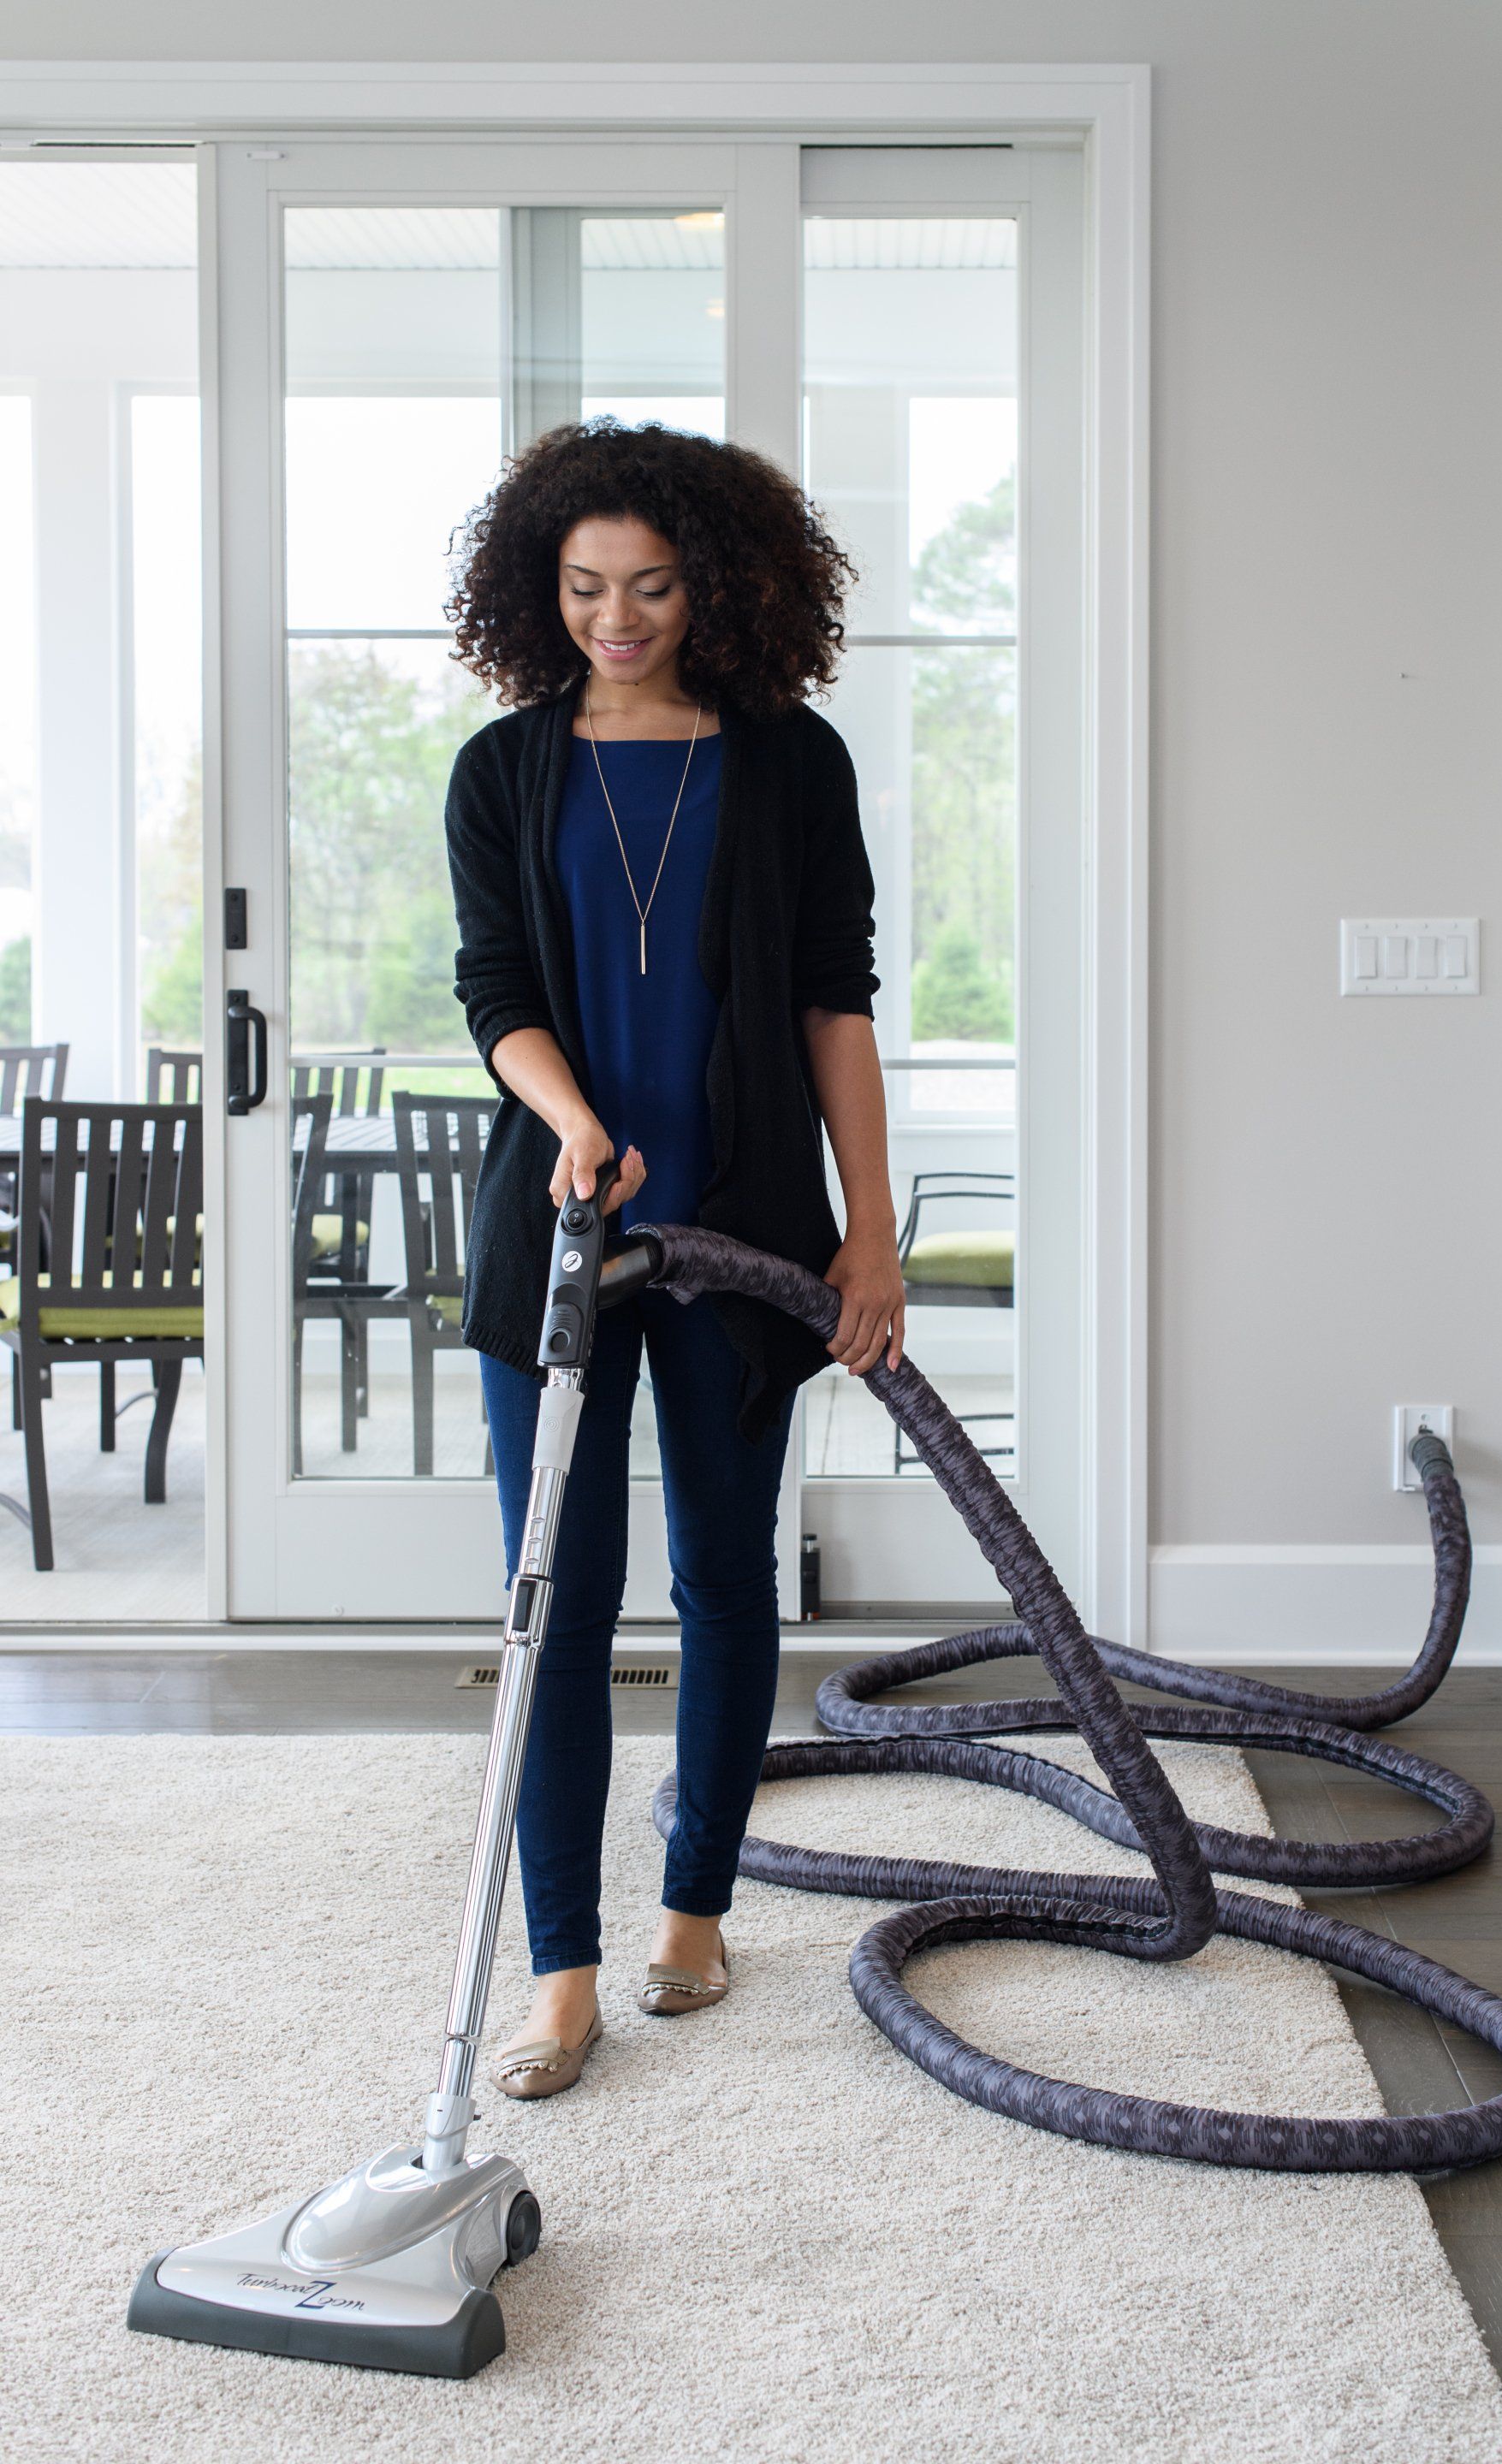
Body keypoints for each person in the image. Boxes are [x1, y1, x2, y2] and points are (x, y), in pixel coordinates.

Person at [443, 418, 905, 2098]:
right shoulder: (504, 769)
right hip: (558, 1242)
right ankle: (561, 1970)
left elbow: (832, 1005)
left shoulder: (792, 762)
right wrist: (569, 1119)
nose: (616, 621)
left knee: (723, 1577)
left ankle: (695, 1906)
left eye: (649, 587)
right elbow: (497, 993)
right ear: (540, 587)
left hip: (747, 1238)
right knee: (556, 1606)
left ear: (716, 583)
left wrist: (869, 1228)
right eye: (584, 589)